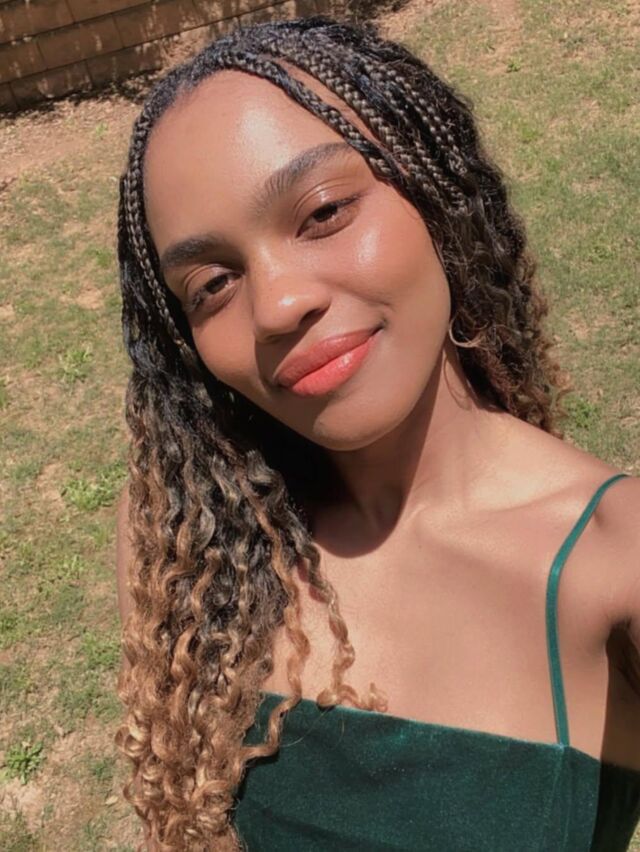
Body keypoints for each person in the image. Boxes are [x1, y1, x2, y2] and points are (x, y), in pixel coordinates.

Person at [113, 15, 640, 852]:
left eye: (323, 212)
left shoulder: (616, 564)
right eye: (212, 283)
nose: (278, 304)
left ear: (437, 195)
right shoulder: (201, 553)